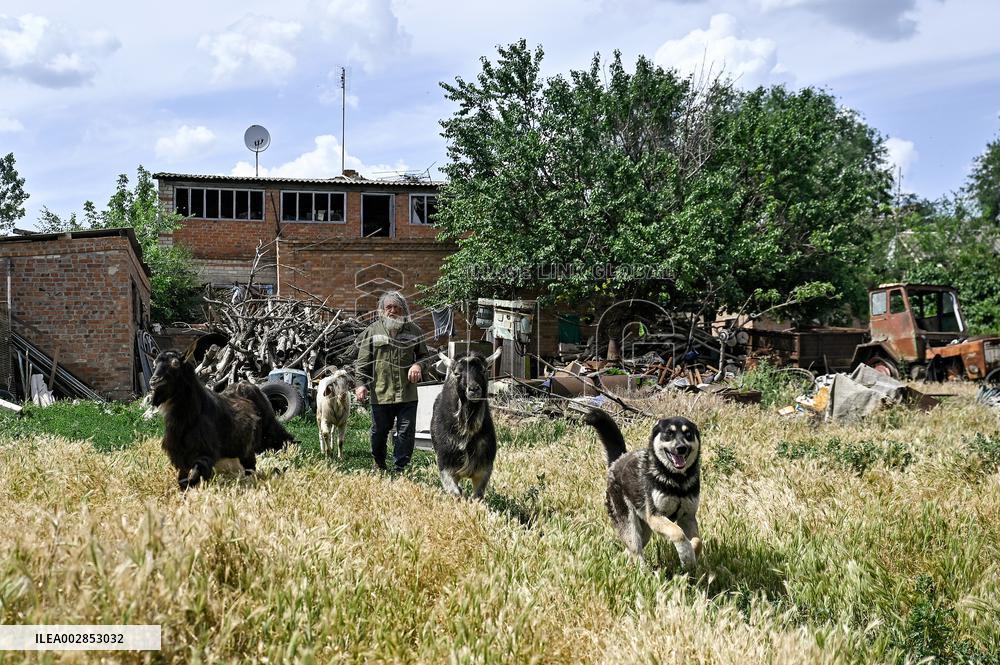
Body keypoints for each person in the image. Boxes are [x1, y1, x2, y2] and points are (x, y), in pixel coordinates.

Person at [354, 291, 432, 473]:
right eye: (389, 307)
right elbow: (362, 362)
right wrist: (360, 385)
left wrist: (418, 366)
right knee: (378, 432)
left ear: (403, 310)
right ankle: (379, 464)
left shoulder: (414, 331)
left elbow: (424, 356)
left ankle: (401, 468)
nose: (393, 311)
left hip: (407, 393)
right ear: (381, 311)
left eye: (397, 307)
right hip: (381, 392)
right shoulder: (372, 331)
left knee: (405, 433)